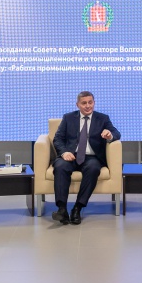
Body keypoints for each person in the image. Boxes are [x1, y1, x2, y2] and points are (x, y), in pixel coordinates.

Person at [51, 91, 120, 225]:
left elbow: (117, 133)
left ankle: (78, 208)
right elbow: (58, 138)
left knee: (93, 168)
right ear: (77, 105)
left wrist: (109, 134)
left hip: (91, 157)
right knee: (60, 166)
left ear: (94, 103)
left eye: (90, 102)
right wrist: (64, 152)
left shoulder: (102, 118)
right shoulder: (68, 118)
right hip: (71, 155)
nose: (88, 106)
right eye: (84, 103)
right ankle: (62, 209)